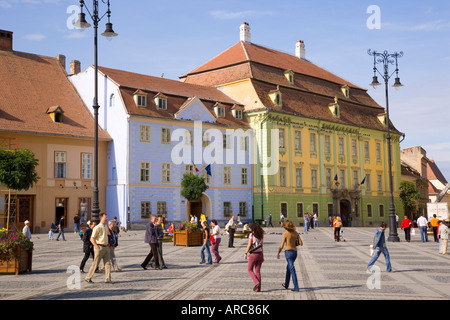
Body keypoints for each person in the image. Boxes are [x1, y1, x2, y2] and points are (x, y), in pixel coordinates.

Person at [85, 213, 112, 283]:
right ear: (101, 218)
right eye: (105, 217)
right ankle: (88, 277)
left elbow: (108, 235)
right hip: (99, 247)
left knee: (108, 264)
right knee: (95, 264)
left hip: (106, 247)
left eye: (106, 217)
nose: (106, 219)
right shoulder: (97, 227)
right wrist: (96, 246)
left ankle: (108, 279)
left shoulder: (105, 227)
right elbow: (92, 238)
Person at [277, 220, 303, 292]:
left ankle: (296, 287)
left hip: (288, 252)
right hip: (294, 253)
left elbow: (282, 245)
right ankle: (286, 284)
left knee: (292, 269)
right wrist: (296, 241)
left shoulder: (285, 234)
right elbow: (301, 243)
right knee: (288, 268)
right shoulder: (296, 233)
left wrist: (278, 252)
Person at [244, 223, 265, 292]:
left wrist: (246, 253)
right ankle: (258, 289)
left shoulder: (251, 235)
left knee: (249, 269)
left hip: (253, 254)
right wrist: (263, 256)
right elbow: (261, 246)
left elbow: (249, 245)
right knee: (257, 271)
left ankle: (256, 282)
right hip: (260, 254)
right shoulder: (261, 235)